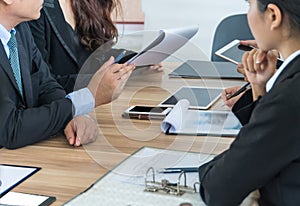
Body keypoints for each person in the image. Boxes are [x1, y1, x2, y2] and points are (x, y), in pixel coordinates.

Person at [199, 0, 300, 205]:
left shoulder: (288, 98)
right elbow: (267, 143)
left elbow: (219, 188)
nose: (248, 14)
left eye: (249, 5)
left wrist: (217, 165)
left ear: (273, 15)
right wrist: (259, 88)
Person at [0, 0, 135, 149]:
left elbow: (46, 86)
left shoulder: (20, 31)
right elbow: (10, 129)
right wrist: (89, 97)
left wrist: (75, 115)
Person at [28, 0, 161, 93]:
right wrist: (97, 80)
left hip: (91, 104)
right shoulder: (34, 8)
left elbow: (96, 54)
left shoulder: (86, 4)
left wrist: (138, 59)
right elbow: (42, 81)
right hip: (61, 109)